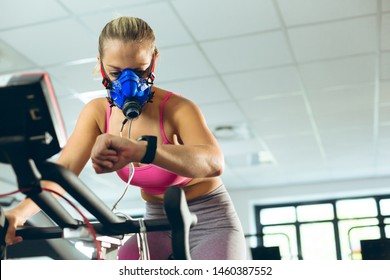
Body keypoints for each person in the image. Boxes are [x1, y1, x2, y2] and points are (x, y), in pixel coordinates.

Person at [4, 16, 246, 260]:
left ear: (154, 61)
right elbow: (63, 171)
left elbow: (214, 162)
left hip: (210, 221)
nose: (128, 83)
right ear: (100, 65)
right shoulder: (97, 113)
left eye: (139, 71)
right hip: (156, 223)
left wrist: (143, 150)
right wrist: (20, 213)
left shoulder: (179, 108)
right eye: (116, 72)